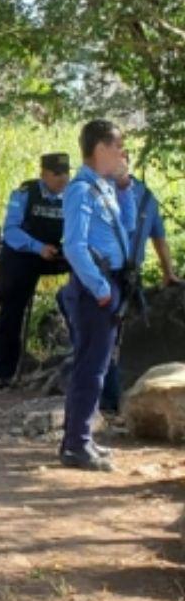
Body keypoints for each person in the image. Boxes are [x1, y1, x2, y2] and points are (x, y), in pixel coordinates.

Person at [58, 120, 128, 471]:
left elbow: (126, 229)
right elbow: (74, 245)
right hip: (94, 289)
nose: (122, 154)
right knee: (91, 366)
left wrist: (125, 186)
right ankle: (76, 445)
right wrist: (100, 289)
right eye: (117, 147)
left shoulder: (106, 187)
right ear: (100, 147)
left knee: (96, 365)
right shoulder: (81, 190)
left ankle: (78, 438)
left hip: (110, 283)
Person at [95, 152, 181, 412]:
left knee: (108, 338)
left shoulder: (116, 194)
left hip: (114, 274)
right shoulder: (139, 195)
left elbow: (159, 238)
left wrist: (169, 273)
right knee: (110, 338)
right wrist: (168, 272)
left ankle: (108, 400)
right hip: (116, 274)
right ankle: (107, 399)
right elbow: (160, 240)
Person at [0, 153, 72, 388]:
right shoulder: (24, 194)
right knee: (11, 311)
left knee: (88, 276)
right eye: (57, 174)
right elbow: (11, 231)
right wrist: (37, 247)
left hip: (53, 251)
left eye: (66, 173)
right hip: (22, 253)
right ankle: (2, 374)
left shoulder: (73, 195)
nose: (62, 179)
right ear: (43, 174)